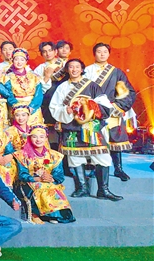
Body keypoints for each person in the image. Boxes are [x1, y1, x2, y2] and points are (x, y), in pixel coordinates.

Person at [48, 58, 122, 201]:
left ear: (82, 69)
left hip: (91, 127)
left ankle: (103, 190)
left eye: (77, 67)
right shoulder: (62, 87)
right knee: (75, 158)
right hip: (72, 127)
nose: (74, 70)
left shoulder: (92, 86)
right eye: (71, 67)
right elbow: (54, 107)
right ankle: (82, 188)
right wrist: (66, 110)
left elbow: (105, 105)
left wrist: (90, 107)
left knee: (102, 156)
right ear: (67, 70)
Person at [84, 42, 137, 181]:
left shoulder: (116, 72)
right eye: (99, 51)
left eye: (105, 52)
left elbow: (126, 91)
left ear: (109, 54)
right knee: (96, 140)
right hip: (94, 111)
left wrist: (118, 106)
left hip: (113, 110)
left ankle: (118, 169)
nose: (102, 54)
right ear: (94, 54)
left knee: (115, 139)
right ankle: (95, 168)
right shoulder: (87, 71)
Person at [13, 126, 75, 224]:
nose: (38, 140)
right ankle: (36, 214)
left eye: (41, 137)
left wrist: (51, 178)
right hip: (28, 183)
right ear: (30, 138)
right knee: (41, 187)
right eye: (34, 137)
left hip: (48, 182)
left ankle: (53, 215)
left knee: (51, 188)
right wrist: (37, 179)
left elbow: (59, 175)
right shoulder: (22, 155)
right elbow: (22, 174)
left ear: (46, 138)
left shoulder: (54, 155)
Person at [0, 48, 44, 125]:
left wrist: (31, 107)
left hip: (32, 109)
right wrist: (17, 106)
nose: (19, 62)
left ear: (26, 61)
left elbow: (39, 95)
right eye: (16, 59)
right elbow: (8, 94)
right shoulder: (7, 77)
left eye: (22, 60)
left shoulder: (34, 77)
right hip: (16, 109)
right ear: (12, 60)